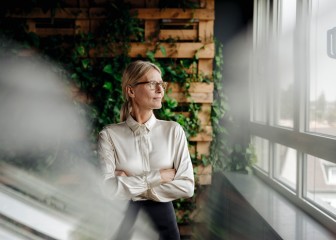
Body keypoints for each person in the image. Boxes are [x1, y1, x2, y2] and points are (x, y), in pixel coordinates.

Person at [98, 60, 195, 240]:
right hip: (121, 224)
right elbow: (107, 189)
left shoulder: (173, 131)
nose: (160, 90)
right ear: (131, 90)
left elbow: (187, 187)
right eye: (152, 84)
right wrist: (159, 177)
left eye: (161, 84)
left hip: (164, 226)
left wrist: (130, 187)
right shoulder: (109, 135)